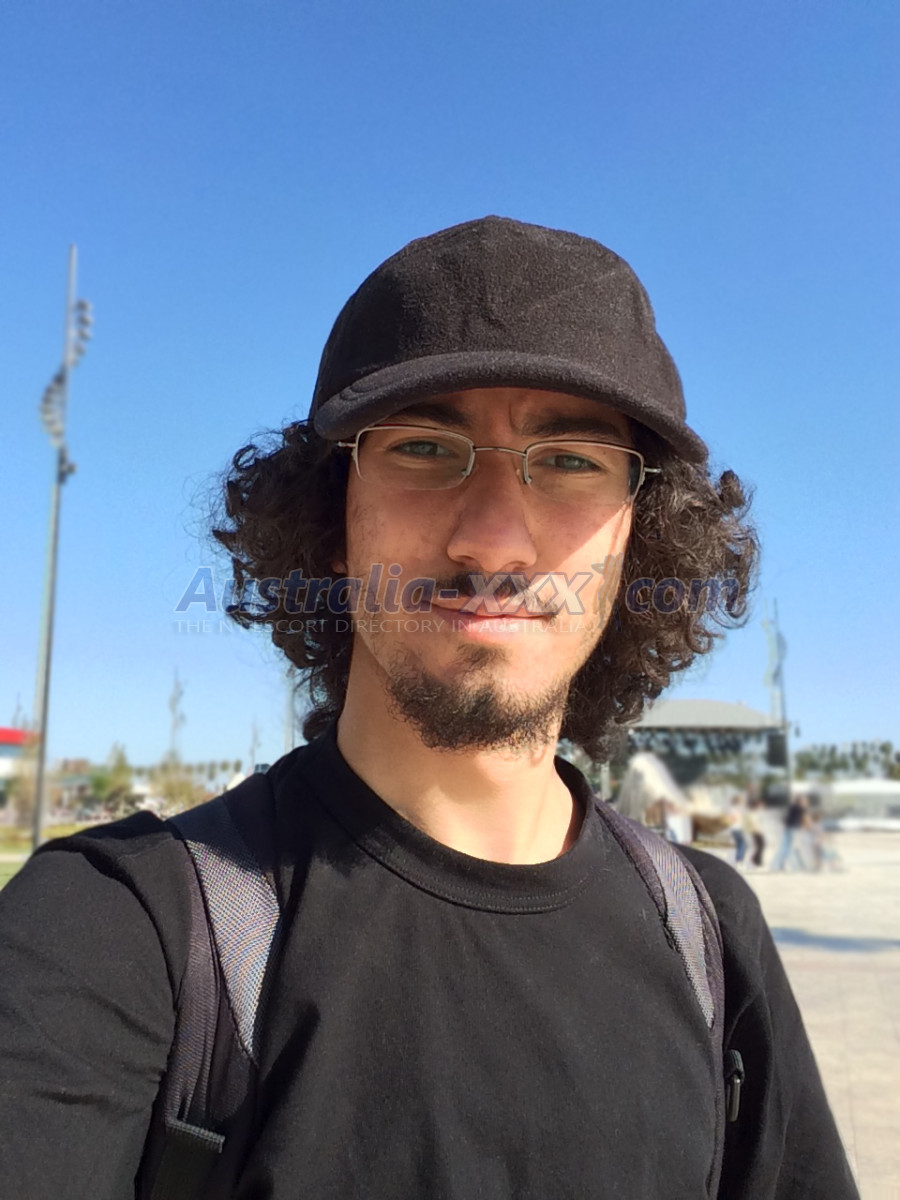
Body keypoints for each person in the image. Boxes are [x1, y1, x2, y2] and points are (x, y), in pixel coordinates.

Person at [0, 217, 858, 1199]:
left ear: (638, 536)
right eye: (422, 447)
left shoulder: (712, 936)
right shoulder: (116, 933)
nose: (493, 540)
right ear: (332, 518)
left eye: (571, 460)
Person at [772, 792, 811, 871]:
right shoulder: (799, 808)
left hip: (789, 828)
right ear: (800, 801)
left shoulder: (793, 807)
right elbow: (804, 820)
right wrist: (808, 828)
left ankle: (780, 865)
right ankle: (789, 865)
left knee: (785, 847)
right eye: (804, 801)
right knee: (789, 848)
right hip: (792, 829)